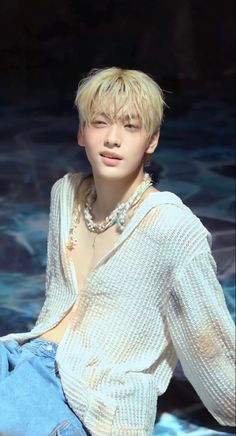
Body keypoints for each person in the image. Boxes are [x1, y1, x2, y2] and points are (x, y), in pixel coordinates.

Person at [0, 67, 235, 436]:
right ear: (81, 132)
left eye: (130, 126)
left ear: (152, 140)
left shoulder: (172, 228)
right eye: (99, 122)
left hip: (83, 395)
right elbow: (58, 303)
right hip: (22, 355)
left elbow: (212, 350)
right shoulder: (65, 196)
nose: (112, 139)